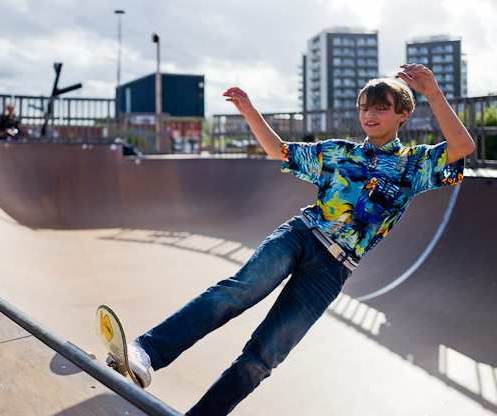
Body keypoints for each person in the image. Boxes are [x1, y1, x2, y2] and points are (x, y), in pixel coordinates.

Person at [124, 64, 475, 416]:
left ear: (403, 114)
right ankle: (147, 350)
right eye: (364, 107)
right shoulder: (338, 153)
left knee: (263, 357)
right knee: (238, 290)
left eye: (380, 108)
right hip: (301, 235)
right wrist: (249, 111)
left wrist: (433, 94)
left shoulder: (414, 165)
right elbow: (279, 150)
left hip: (333, 270)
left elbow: (463, 146)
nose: (369, 115)